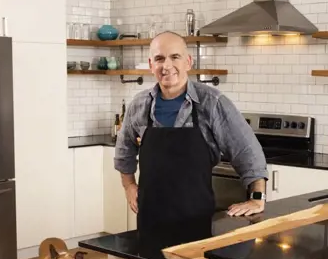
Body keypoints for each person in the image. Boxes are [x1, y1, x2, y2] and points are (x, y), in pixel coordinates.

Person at [114, 31, 268, 240]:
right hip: (150, 220)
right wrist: (129, 186)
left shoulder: (212, 102)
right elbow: (124, 152)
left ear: (188, 61)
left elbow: (248, 151)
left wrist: (257, 198)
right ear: (151, 65)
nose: (166, 66)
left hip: (198, 221)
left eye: (174, 57)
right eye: (159, 59)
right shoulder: (140, 105)